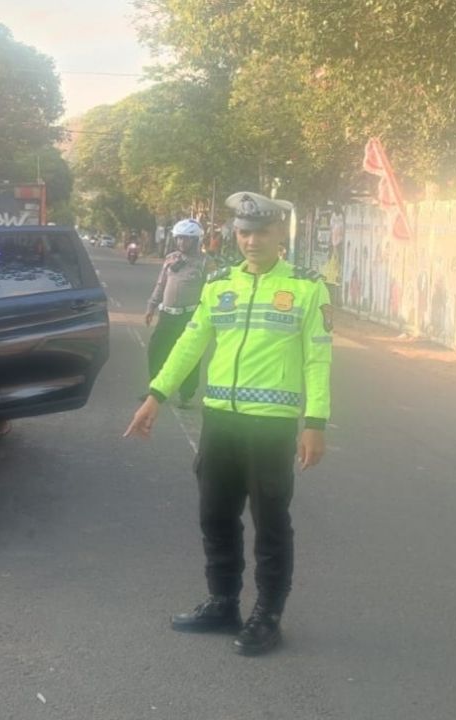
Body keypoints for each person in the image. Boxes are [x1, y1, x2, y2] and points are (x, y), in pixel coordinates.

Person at [125, 191, 333, 657]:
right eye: (243, 232)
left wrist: (315, 422)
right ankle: (223, 603)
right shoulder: (219, 284)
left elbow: (318, 359)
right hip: (220, 421)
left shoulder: (306, 286)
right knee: (215, 515)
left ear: (280, 234)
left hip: (271, 426)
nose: (251, 240)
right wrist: (156, 395)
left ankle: (269, 614)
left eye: (261, 231)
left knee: (271, 521)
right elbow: (189, 343)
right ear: (233, 234)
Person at [144, 219, 213, 408]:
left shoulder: (206, 262)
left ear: (196, 241)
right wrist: (151, 307)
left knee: (189, 354)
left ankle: (186, 393)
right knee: (156, 350)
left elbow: (212, 291)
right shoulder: (170, 258)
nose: (182, 243)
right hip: (167, 314)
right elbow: (161, 284)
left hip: (189, 316)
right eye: (179, 239)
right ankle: (155, 390)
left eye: (187, 239)